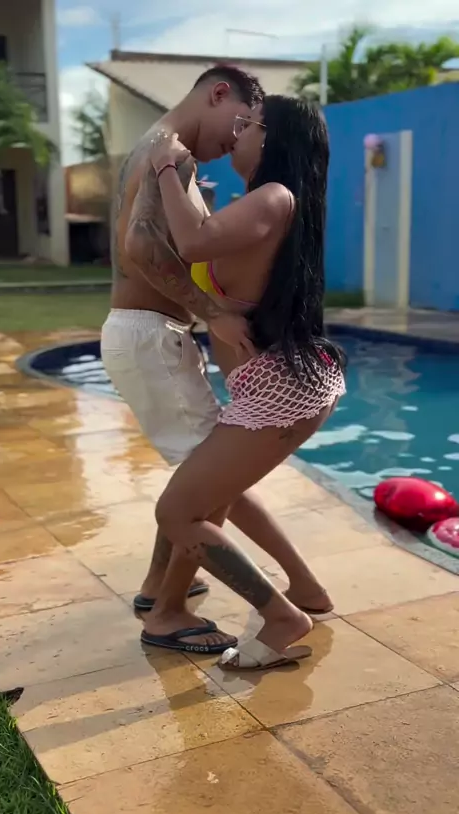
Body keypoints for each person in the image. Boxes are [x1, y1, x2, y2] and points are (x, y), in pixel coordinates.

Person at [101, 66, 334, 644]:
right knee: (201, 492)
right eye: (239, 122)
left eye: (250, 128)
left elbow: (193, 243)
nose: (236, 137)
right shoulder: (171, 156)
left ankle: (169, 594)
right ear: (218, 94)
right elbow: (144, 246)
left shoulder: (174, 158)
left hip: (169, 340)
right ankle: (184, 603)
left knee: (198, 488)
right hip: (152, 336)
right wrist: (213, 311)